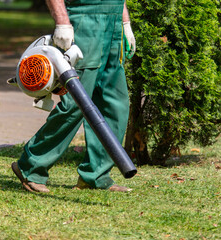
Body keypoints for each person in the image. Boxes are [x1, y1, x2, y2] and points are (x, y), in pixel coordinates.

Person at [11, 0, 136, 193]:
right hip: (84, 19)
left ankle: (96, 176)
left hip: (114, 20)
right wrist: (62, 21)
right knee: (75, 103)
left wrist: (125, 21)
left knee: (115, 103)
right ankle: (30, 165)